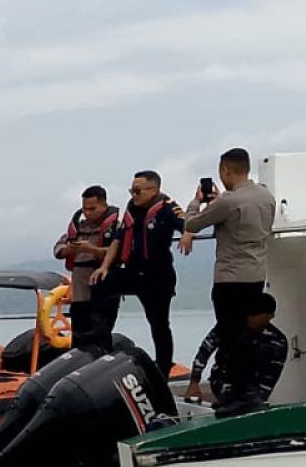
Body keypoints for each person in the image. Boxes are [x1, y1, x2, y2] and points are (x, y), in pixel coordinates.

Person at [89, 171, 185, 373]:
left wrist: (189, 234)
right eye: (131, 190)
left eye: (138, 190)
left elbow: (188, 223)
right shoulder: (132, 208)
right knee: (100, 285)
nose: (134, 194)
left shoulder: (167, 208)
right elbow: (118, 239)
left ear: (154, 190)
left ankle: (163, 369)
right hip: (133, 272)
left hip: (158, 276)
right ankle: (100, 349)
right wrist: (104, 267)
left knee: (159, 325)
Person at [179, 148, 277, 340]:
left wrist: (196, 201)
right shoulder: (267, 196)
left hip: (230, 279)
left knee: (229, 334)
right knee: (248, 334)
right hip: (256, 275)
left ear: (225, 170)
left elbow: (192, 223)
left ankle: (230, 369)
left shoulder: (227, 201)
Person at [184, 292, 287, 418]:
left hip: (252, 387)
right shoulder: (228, 326)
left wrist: (257, 399)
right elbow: (205, 350)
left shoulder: (278, 341)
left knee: (248, 405)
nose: (251, 318)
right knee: (230, 402)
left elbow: (271, 375)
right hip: (223, 379)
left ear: (270, 315)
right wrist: (194, 381)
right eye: (249, 313)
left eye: (256, 314)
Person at [52, 186, 119, 346]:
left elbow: (119, 253)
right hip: (79, 294)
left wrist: (91, 250)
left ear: (104, 205)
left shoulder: (116, 228)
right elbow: (57, 249)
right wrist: (69, 249)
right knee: (79, 337)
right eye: (84, 209)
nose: (87, 213)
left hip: (104, 293)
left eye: (92, 209)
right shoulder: (77, 227)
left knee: (100, 336)